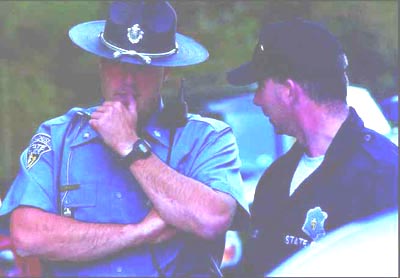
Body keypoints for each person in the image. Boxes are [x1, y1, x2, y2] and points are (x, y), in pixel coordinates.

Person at [0, 1, 249, 276]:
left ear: (166, 72)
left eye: (142, 67)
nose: (127, 80)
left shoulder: (207, 138)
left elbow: (212, 219)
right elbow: (26, 235)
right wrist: (138, 232)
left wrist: (130, 147)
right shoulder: (59, 136)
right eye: (118, 64)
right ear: (101, 64)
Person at [226, 18, 398, 276]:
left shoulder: (384, 175)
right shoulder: (275, 179)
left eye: (261, 86)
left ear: (288, 90)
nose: (257, 99)